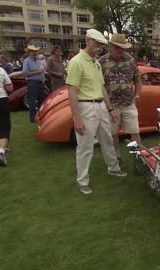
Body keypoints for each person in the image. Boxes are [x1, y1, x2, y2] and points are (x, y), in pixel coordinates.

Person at [66, 29, 127, 195]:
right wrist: (76, 119)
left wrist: (110, 108)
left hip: (100, 106)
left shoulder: (95, 62)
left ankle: (113, 168)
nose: (99, 47)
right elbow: (72, 91)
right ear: (88, 41)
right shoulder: (76, 62)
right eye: (97, 43)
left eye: (101, 44)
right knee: (85, 147)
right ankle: (83, 181)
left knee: (107, 139)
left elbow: (101, 87)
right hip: (86, 107)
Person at [99, 33, 142, 160]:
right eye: (116, 47)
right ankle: (115, 157)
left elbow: (138, 79)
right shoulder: (102, 61)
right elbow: (99, 84)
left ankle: (138, 156)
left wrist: (138, 95)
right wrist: (109, 107)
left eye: (122, 47)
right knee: (112, 133)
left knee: (134, 131)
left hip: (129, 103)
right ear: (111, 46)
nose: (119, 50)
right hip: (111, 105)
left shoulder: (130, 60)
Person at [22, 45, 46, 122]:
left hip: (40, 82)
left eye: (35, 51)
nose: (35, 53)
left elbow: (41, 70)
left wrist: (43, 72)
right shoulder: (27, 61)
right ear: (29, 53)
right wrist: (37, 71)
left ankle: (41, 115)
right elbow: (25, 73)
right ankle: (32, 118)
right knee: (32, 100)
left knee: (41, 100)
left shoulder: (38, 61)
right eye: (33, 51)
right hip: (33, 83)